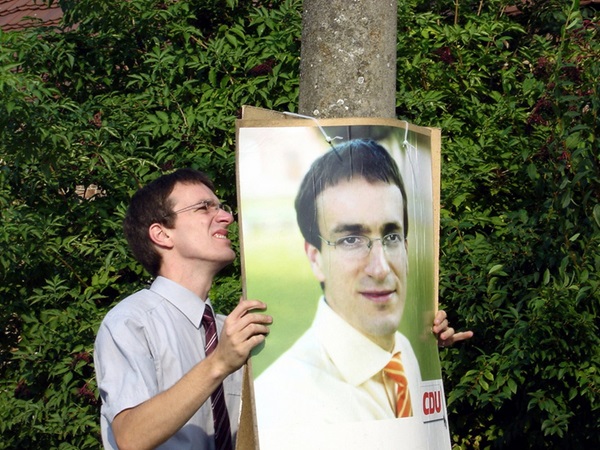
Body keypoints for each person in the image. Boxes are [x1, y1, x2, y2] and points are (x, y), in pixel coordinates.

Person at [254, 139, 472, 427]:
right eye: (351, 239)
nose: (380, 268)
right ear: (315, 258)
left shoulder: (405, 350)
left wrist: (428, 347)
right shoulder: (284, 399)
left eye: (392, 236)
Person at [94, 168, 272, 450]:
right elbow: (130, 436)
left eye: (221, 207)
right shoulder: (131, 321)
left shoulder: (231, 332)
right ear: (162, 234)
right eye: (204, 208)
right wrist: (219, 363)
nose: (227, 217)